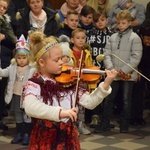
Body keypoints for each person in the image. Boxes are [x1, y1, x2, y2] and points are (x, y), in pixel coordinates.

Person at [22, 30, 117, 149]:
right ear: (42, 62)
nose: (62, 62)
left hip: (68, 135)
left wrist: (106, 84)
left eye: (62, 58)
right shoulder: (35, 84)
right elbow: (30, 107)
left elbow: (90, 102)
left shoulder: (68, 82)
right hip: (47, 137)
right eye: (57, 60)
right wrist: (60, 113)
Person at [94, 10, 142, 133]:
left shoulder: (134, 38)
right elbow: (107, 53)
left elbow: (136, 57)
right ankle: (105, 123)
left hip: (128, 74)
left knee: (126, 100)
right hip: (114, 73)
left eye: (123, 23)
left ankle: (124, 125)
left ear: (130, 23)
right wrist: (111, 69)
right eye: (119, 23)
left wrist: (124, 70)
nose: (120, 25)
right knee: (109, 98)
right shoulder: (113, 37)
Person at [0, 35, 35, 145]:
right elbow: (3, 73)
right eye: (19, 58)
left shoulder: (32, 69)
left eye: (24, 58)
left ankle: (27, 134)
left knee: (26, 115)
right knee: (18, 115)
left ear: (28, 58)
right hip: (16, 94)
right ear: (16, 58)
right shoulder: (13, 67)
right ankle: (19, 133)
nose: (21, 60)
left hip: (26, 96)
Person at [86, 11, 112, 127]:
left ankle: (106, 118)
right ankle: (94, 116)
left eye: (102, 20)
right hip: (93, 68)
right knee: (95, 92)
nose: (99, 23)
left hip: (107, 68)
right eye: (96, 21)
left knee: (106, 92)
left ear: (107, 20)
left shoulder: (112, 34)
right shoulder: (89, 33)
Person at [130, 19, 150, 126]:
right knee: (138, 93)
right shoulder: (136, 41)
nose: (149, 41)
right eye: (147, 39)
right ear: (142, 36)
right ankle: (135, 117)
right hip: (139, 70)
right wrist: (136, 69)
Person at [0, 0, 16, 131]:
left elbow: (13, 42)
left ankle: (0, 119)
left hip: (3, 60)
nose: (1, 9)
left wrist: (4, 37)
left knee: (1, 91)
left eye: (4, 8)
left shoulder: (7, 23)